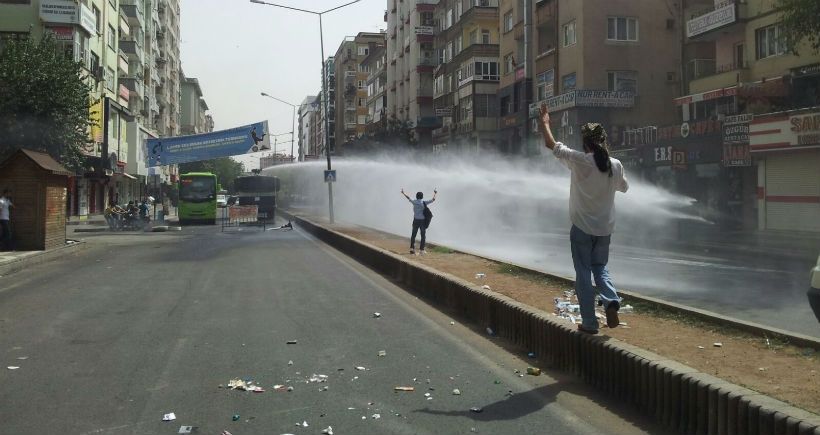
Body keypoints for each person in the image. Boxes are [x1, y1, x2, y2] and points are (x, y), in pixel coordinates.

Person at [538, 103, 629, 335]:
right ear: (603, 140)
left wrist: (545, 122)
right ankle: (610, 300)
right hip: (604, 230)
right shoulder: (615, 165)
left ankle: (589, 323)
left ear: (585, 142)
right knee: (601, 268)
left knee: (583, 274)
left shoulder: (579, 160)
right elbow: (624, 188)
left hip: (581, 229)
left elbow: (551, 144)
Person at [401, 188, 437, 255]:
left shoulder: (414, 202)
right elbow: (433, 199)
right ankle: (421, 250)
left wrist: (403, 193)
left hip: (415, 220)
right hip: (422, 221)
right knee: (423, 236)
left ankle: (412, 249)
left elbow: (408, 197)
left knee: (413, 235)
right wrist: (435, 193)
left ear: (416, 196)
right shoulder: (424, 202)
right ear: (422, 196)